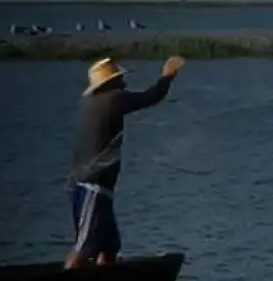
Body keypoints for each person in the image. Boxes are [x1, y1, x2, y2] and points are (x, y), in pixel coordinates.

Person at [66, 55, 184, 269]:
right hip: (92, 185)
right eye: (120, 79)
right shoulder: (113, 99)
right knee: (85, 247)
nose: (124, 83)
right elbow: (152, 96)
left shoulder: (90, 102)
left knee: (109, 245)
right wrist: (168, 75)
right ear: (110, 84)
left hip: (94, 186)